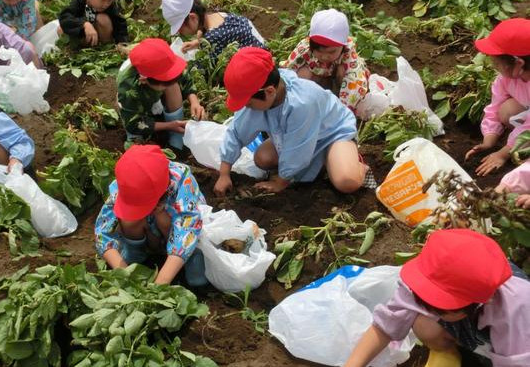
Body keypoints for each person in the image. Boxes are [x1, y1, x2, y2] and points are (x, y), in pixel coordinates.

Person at [344, 229, 530, 367]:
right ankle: (457, 351)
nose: (425, 308)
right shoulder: (430, 274)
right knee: (424, 325)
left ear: (478, 301)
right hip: (477, 322)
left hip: (519, 348)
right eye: (422, 300)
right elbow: (385, 327)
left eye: (439, 307)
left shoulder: (516, 310)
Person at [214, 47, 373, 196]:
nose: (247, 108)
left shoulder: (302, 103)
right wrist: (224, 173)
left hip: (331, 135)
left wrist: (281, 181)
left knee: (346, 182)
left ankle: (355, 165)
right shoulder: (258, 95)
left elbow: (299, 148)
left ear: (269, 91)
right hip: (298, 136)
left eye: (248, 103)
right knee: (262, 158)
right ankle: (325, 164)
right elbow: (236, 132)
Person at [94, 144, 207, 286]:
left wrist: (160, 283)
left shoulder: (182, 181)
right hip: (150, 229)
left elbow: (187, 229)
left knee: (197, 281)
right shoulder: (125, 185)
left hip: (182, 230)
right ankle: (136, 253)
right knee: (127, 220)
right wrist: (123, 272)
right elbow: (103, 232)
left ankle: (189, 258)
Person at [465, 18, 530, 177]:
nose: (493, 64)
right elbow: (494, 108)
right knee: (506, 111)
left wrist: (503, 154)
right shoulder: (506, 79)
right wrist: (489, 140)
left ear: (519, 64)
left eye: (496, 60)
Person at [118, 38, 205, 151]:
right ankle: (170, 127)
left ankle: (176, 139)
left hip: (153, 96)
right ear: (144, 79)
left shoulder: (164, 60)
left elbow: (185, 79)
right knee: (136, 139)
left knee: (172, 85)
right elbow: (133, 123)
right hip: (135, 109)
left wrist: (195, 102)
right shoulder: (128, 87)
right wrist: (170, 125)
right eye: (163, 85)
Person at [281, 9, 369, 112]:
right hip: (319, 78)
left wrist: (342, 111)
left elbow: (355, 82)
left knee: (343, 71)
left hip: (340, 84)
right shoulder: (304, 48)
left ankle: (337, 99)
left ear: (343, 45)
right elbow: (288, 71)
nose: (324, 57)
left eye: (331, 52)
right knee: (302, 73)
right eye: (318, 51)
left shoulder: (348, 53)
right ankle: (303, 101)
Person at [162, 0, 265, 60]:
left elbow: (205, 69)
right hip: (262, 47)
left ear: (193, 17)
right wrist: (197, 42)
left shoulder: (212, 38)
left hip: (260, 62)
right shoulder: (218, 15)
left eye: (180, 28)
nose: (180, 32)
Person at [58, 0, 129, 48]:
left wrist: (122, 43)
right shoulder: (78, 2)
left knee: (103, 19)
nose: (106, 4)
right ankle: (73, 49)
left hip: (100, 37)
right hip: (81, 37)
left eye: (110, 0)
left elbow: (120, 24)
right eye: (103, 0)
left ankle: (105, 46)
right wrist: (84, 24)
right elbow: (65, 17)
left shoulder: (110, 7)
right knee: (61, 28)